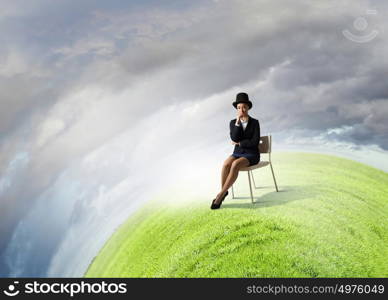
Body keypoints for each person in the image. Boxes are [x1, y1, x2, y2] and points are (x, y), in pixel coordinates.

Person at [210, 92, 260, 209]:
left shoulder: (255, 122)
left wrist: (240, 143)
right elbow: (234, 138)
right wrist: (238, 122)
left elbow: (255, 142)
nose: (241, 110)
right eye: (238, 107)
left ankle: (220, 195)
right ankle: (225, 191)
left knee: (235, 164)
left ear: (248, 108)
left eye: (243, 107)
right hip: (237, 152)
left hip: (252, 154)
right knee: (226, 164)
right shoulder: (233, 122)